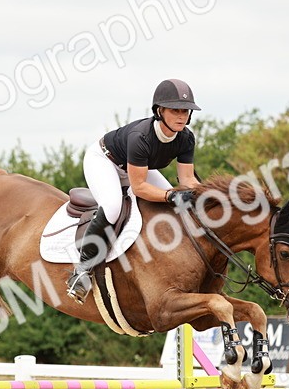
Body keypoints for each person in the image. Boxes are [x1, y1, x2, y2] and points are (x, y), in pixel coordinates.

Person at [65, 78, 202, 302]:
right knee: (111, 207)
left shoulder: (186, 138)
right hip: (104, 161)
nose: (182, 116)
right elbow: (138, 187)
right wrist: (171, 195)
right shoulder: (141, 137)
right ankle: (81, 270)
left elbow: (187, 179)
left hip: (137, 167)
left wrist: (206, 196)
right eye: (176, 110)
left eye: (186, 111)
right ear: (160, 111)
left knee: (177, 208)